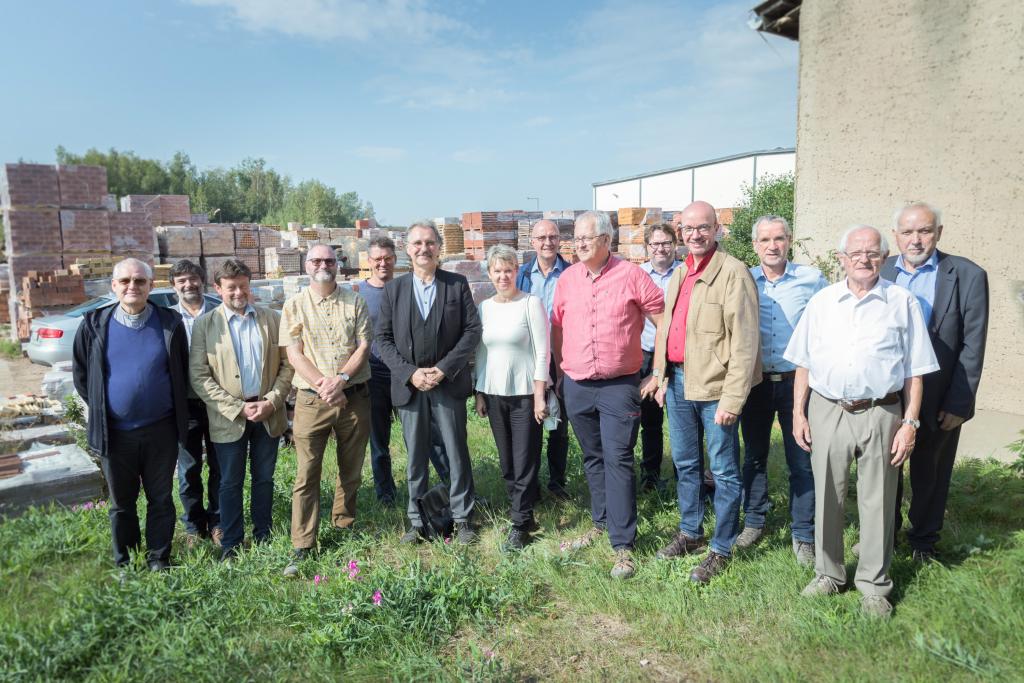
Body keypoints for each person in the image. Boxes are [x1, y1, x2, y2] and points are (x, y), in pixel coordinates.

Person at [786, 225, 938, 617]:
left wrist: (910, 423)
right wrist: (799, 412)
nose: (864, 260)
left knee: (879, 499)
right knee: (827, 495)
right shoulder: (822, 303)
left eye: (872, 253)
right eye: (855, 253)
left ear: (884, 258)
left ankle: (874, 585)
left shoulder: (902, 302)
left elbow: (915, 372)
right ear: (841, 259)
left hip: (882, 410)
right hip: (828, 408)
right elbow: (803, 363)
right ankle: (829, 574)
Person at [650, 201, 761, 584]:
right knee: (685, 464)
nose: (695, 234)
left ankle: (721, 547)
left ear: (717, 230)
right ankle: (691, 532)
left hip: (716, 388)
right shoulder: (680, 272)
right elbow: (668, 330)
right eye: (689, 228)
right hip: (680, 383)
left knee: (724, 470)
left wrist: (733, 400)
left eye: (703, 227)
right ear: (681, 232)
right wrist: (662, 376)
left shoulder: (733, 273)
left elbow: (745, 344)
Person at [552, 210, 664, 579]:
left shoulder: (631, 275)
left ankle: (623, 545)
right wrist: (560, 370)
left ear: (606, 240)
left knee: (618, 459)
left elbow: (664, 322)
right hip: (578, 385)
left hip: (619, 385)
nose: (579, 243)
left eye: (587, 237)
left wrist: (659, 372)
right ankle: (600, 523)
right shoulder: (567, 280)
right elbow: (557, 327)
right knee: (593, 458)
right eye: (576, 237)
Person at [883, 202, 989, 562]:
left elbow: (973, 345)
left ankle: (923, 542)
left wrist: (960, 403)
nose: (916, 239)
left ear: (938, 233)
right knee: (886, 467)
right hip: (890, 393)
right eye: (908, 232)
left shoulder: (967, 275)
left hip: (941, 393)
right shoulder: (880, 271)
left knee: (931, 470)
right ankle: (886, 534)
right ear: (895, 236)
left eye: (925, 231)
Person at [72, 257, 190, 571]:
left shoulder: (169, 323)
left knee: (161, 499)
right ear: (114, 286)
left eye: (139, 281)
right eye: (125, 281)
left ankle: (158, 559)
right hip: (116, 433)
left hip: (160, 431)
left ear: (151, 286)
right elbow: (82, 377)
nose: (132, 287)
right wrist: (105, 405)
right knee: (121, 505)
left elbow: (181, 370)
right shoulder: (94, 324)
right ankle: (125, 562)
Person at [377, 221, 483, 544]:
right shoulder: (394, 290)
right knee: (415, 456)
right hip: (410, 387)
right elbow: (382, 340)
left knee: (455, 451)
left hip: (446, 384)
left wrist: (443, 368)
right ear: (407, 250)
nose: (424, 249)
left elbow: (472, 331)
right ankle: (418, 520)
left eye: (430, 243)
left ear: (440, 248)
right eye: (417, 244)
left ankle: (463, 517)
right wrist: (410, 372)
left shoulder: (456, 285)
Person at [735, 216, 827, 566]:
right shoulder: (743, 280)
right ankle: (754, 521)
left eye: (779, 239)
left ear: (789, 241)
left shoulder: (812, 280)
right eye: (765, 240)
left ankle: (803, 533)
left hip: (797, 383)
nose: (772, 246)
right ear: (755, 245)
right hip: (756, 382)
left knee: (801, 459)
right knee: (754, 455)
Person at [188, 259, 292, 562]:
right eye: (231, 287)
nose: (238, 293)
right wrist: (237, 408)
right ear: (218, 289)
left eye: (244, 286)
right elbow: (199, 376)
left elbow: (287, 366)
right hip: (228, 417)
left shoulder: (272, 319)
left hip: (268, 411)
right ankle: (231, 543)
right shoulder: (205, 325)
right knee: (230, 482)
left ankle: (264, 535)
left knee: (264, 478)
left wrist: (272, 400)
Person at [280, 244, 372, 575]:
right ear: (307, 266)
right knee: (307, 473)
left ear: (338, 265)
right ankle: (303, 543)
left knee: (351, 468)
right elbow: (294, 353)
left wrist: (342, 379)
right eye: (317, 260)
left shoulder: (355, 301)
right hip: (311, 400)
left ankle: (344, 524)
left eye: (329, 260)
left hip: (354, 397)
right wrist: (325, 385)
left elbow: (363, 345)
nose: (324, 265)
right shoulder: (294, 306)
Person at [358, 236, 451, 505]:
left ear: (396, 259)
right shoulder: (361, 294)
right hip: (376, 374)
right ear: (369, 262)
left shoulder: (408, 288)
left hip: (411, 373)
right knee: (379, 439)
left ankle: (450, 482)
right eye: (377, 259)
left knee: (429, 434)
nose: (383, 263)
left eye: (388, 258)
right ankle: (385, 492)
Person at [475, 244, 550, 551]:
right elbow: (480, 352)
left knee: (525, 459)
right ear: (489, 274)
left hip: (524, 393)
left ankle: (519, 523)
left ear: (516, 272)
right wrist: (479, 391)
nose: (503, 276)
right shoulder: (485, 307)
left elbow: (543, 350)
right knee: (507, 460)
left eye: (508, 270)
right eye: (497, 270)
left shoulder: (530, 303)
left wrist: (540, 394)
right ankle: (524, 512)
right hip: (493, 392)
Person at [516, 219, 573, 500]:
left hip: (564, 356)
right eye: (541, 237)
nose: (547, 242)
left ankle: (557, 482)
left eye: (552, 236)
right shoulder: (524, 275)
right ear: (532, 242)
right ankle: (532, 484)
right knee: (531, 421)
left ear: (560, 240)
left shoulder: (573, 273)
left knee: (559, 424)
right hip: (530, 358)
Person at [169, 258, 221, 547]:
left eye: (193, 279)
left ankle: (218, 523)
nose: (188, 285)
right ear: (174, 286)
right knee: (188, 469)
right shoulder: (169, 319)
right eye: (181, 281)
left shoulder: (218, 311)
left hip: (217, 401)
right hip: (185, 406)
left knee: (219, 466)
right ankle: (192, 527)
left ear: (202, 281)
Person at [635, 223, 681, 491]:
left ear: (674, 244)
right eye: (655, 244)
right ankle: (650, 476)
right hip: (646, 353)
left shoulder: (685, 273)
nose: (660, 248)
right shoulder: (638, 274)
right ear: (647, 247)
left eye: (665, 243)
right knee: (649, 420)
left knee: (681, 418)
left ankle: (683, 476)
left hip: (677, 354)